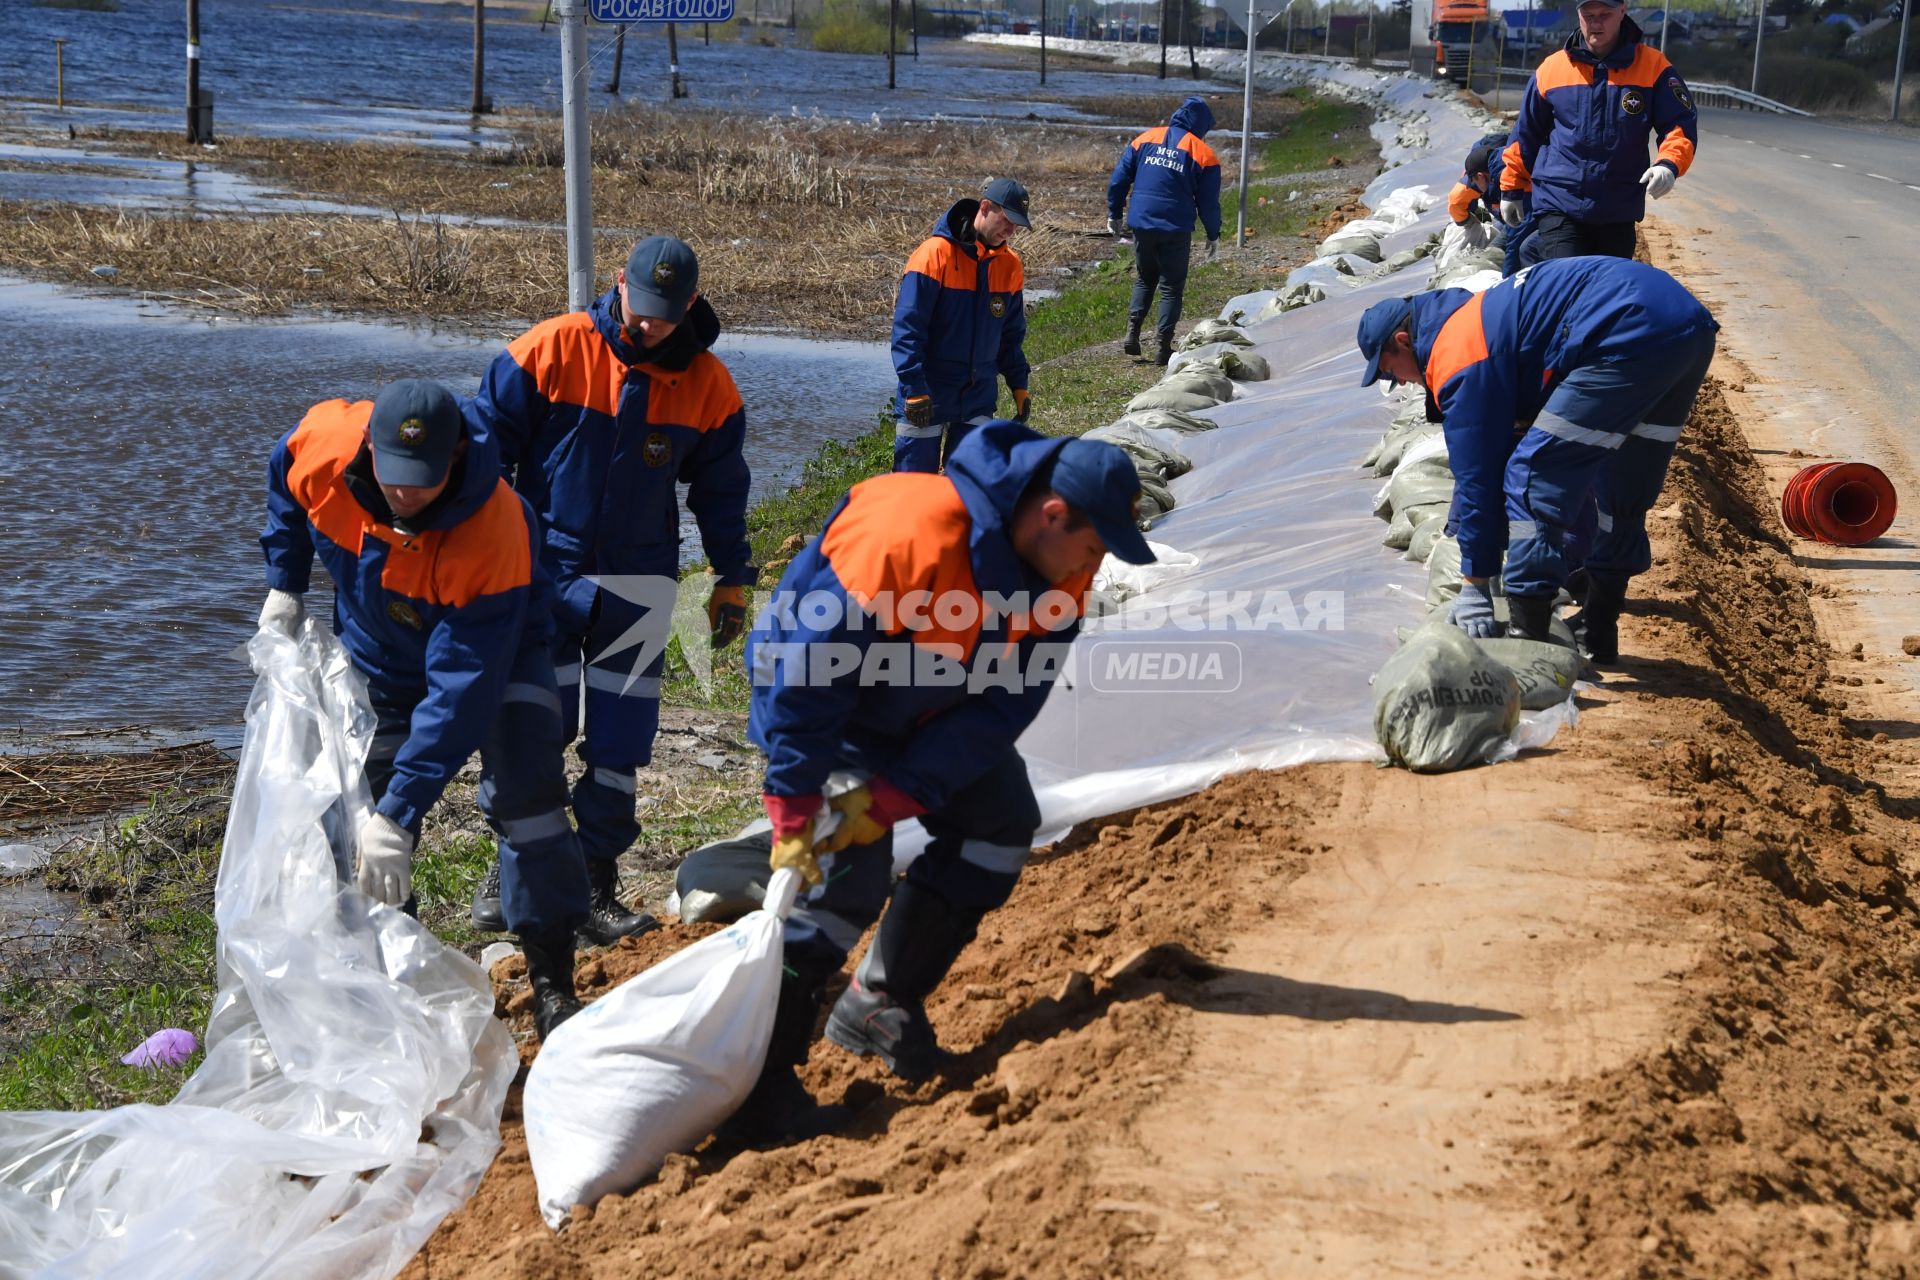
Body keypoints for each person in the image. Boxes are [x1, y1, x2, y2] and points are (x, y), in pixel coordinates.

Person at [727, 421, 1155, 1142]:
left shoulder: (1065, 576)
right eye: (1093, 545)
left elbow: (1003, 706)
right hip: (831, 716)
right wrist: (796, 806)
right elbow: (807, 673)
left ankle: (879, 1000)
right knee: (843, 883)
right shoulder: (908, 527)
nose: (1097, 563)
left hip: (931, 712)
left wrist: (898, 797)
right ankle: (759, 1084)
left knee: (999, 822)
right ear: (1052, 515)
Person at [258, 379, 590, 1038]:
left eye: (425, 479)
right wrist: (286, 585)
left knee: (529, 799)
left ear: (457, 458)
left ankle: (553, 982)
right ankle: (389, 995)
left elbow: (462, 690)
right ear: (369, 451)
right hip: (379, 656)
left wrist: (402, 814)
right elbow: (284, 483)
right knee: (352, 820)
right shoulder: (326, 447)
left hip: (503, 648)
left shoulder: (492, 529)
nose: (406, 492)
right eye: (394, 475)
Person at [466, 235, 753, 945]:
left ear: (690, 303)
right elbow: (483, 450)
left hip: (640, 575)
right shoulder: (551, 349)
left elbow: (720, 493)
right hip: (545, 571)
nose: (648, 325)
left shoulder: (708, 385)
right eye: (639, 307)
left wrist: (732, 576)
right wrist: (482, 548)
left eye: (664, 313)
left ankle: (595, 878)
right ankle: (517, 870)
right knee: (534, 727)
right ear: (618, 283)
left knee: (621, 742)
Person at [1353, 258, 1718, 662]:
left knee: (1533, 474)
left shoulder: (1457, 355)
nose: (1400, 382)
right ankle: (1599, 624)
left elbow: (1479, 480)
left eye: (1391, 372)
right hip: (1686, 327)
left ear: (1403, 341)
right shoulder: (1478, 321)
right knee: (1623, 484)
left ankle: (1527, 631)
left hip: (1622, 328)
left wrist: (1475, 585)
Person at [1497, 0, 1698, 262]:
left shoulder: (1653, 67)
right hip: (1559, 203)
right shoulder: (1552, 69)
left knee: (1605, 294)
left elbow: (1679, 124)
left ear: (1623, 10)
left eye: (1604, 14)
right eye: (1588, 15)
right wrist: (1511, 188)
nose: (1596, 23)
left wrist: (1669, 164)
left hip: (1618, 208)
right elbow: (1526, 134)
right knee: (1565, 281)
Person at [890, 178, 1033, 474]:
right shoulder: (933, 255)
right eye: (1006, 221)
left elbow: (1010, 336)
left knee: (966, 487)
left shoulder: (1010, 266)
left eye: (1016, 226)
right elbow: (908, 330)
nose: (1010, 231)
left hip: (978, 395)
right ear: (984, 208)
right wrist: (914, 387)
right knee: (913, 487)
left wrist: (1019, 384)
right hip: (927, 390)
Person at [1106, 95, 1223, 366]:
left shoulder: (1144, 139)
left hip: (1142, 222)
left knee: (1145, 278)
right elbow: (1208, 204)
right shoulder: (1203, 154)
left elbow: (1118, 180)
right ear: (1202, 124)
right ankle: (1162, 346)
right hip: (1175, 227)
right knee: (1171, 286)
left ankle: (1132, 331)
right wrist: (1213, 234)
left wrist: (1114, 214)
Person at [1446, 130, 1532, 278]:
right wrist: (1468, 220)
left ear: (1480, 176)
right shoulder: (1487, 173)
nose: (1474, 186)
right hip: (1525, 216)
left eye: (1474, 182)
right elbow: (1457, 201)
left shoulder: (1511, 178)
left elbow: (1518, 228)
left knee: (1507, 251)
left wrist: (1507, 277)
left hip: (1538, 216)